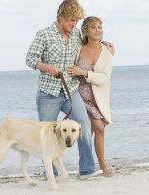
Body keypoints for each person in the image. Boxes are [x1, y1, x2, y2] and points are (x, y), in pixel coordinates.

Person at [25, 0, 103, 178]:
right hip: (48, 94)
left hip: (71, 91)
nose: (74, 24)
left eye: (76, 21)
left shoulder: (76, 34)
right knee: (48, 134)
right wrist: (48, 68)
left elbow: (91, 40)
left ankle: (87, 169)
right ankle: (50, 171)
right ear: (61, 17)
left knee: (83, 124)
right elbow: (30, 59)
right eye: (71, 20)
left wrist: (105, 44)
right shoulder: (44, 34)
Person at [67, 16, 113, 177]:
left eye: (100, 27)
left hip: (96, 97)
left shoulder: (106, 51)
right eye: (93, 27)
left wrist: (85, 72)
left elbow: (104, 77)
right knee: (96, 128)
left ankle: (89, 166)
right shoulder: (78, 46)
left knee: (94, 131)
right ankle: (99, 166)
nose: (98, 30)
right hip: (77, 94)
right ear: (85, 30)